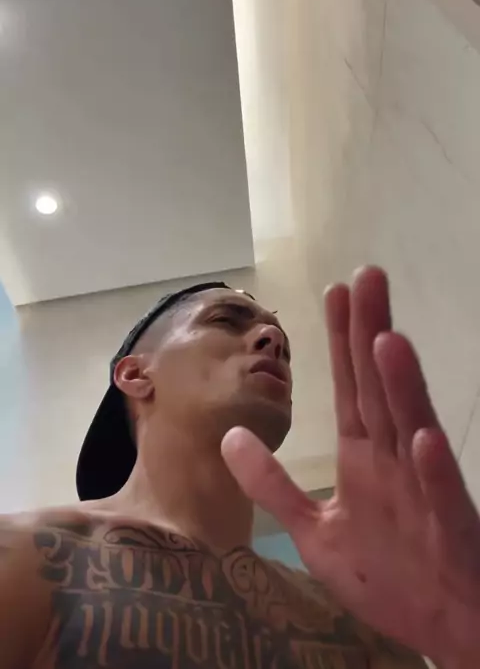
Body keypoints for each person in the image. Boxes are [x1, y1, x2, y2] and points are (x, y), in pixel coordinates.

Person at [0, 266, 479, 668]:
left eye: (283, 342)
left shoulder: (353, 620)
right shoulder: (29, 557)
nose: (273, 340)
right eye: (225, 320)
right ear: (136, 373)